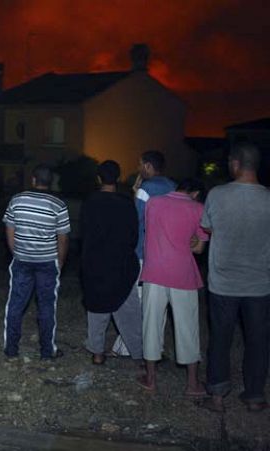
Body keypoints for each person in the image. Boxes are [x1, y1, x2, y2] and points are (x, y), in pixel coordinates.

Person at [201, 143, 270, 413]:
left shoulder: (217, 195)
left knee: (220, 338)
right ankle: (254, 396)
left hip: (223, 284)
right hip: (260, 284)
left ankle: (217, 396)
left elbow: (207, 226)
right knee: (258, 340)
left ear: (236, 164)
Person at [137, 179, 208, 396]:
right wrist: (192, 240)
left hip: (154, 271)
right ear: (194, 192)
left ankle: (150, 379)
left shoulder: (154, 203)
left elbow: (147, 229)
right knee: (187, 327)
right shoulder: (198, 208)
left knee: (151, 324)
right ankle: (192, 384)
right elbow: (198, 249)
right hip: (183, 274)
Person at [111, 150, 176, 357]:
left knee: (136, 299)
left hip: (142, 251)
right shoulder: (173, 186)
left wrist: (135, 193)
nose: (139, 169)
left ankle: (129, 347)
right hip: (166, 252)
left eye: (140, 165)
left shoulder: (147, 188)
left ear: (148, 166)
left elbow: (135, 219)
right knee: (159, 302)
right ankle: (156, 346)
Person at [2, 165, 70, 360]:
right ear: (51, 182)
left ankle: (11, 350)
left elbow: (9, 229)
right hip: (48, 262)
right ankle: (47, 353)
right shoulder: (58, 204)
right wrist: (60, 262)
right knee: (47, 306)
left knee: (15, 304)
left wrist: (16, 251)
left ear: (33, 180)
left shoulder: (17, 200)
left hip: (22, 260)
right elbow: (63, 238)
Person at [80, 161, 142, 366]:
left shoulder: (90, 202)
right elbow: (134, 235)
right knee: (128, 309)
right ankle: (140, 353)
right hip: (121, 262)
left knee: (97, 308)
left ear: (98, 179)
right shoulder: (126, 203)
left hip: (96, 262)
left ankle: (97, 353)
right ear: (117, 178)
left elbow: (85, 233)